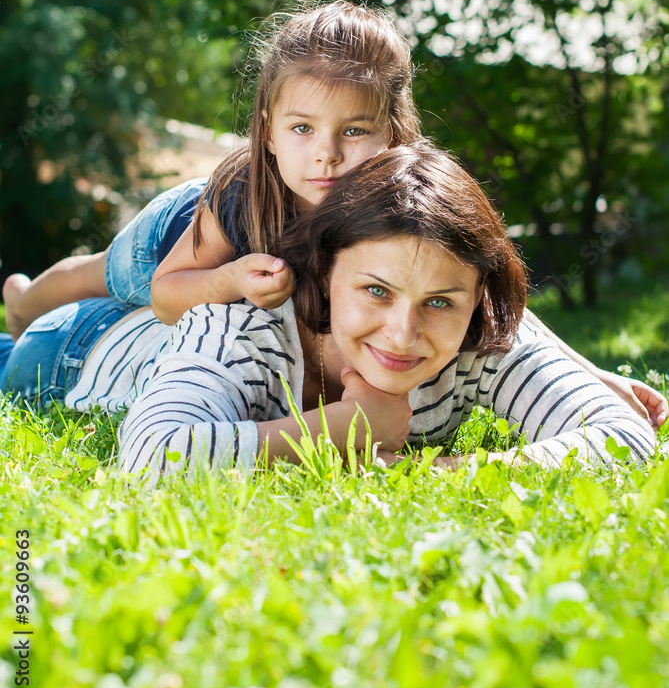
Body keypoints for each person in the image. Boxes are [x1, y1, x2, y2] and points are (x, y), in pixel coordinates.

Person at [0, 145, 658, 484]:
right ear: (323, 269)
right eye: (375, 291)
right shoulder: (241, 317)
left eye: (438, 303)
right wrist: (341, 430)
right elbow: (150, 457)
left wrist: (445, 472)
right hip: (79, 351)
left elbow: (623, 435)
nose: (404, 334)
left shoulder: (472, 329)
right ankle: (23, 299)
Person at [2, 0, 420, 339]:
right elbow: (165, 298)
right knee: (99, 276)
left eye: (354, 131)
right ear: (268, 132)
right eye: (302, 128)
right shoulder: (242, 194)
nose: (326, 153)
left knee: (108, 312)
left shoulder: (404, 200)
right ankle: (23, 304)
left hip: (210, 242)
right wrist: (230, 281)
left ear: (393, 133)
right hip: (171, 239)